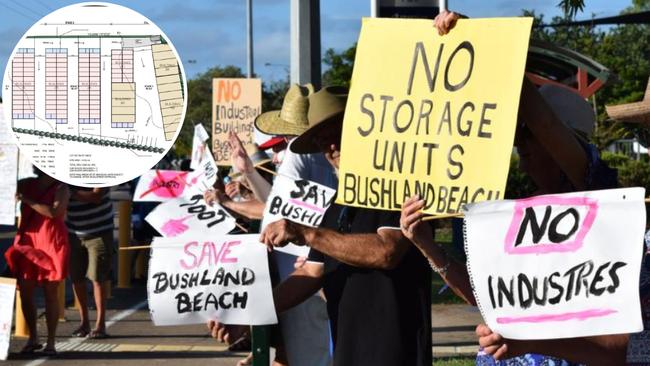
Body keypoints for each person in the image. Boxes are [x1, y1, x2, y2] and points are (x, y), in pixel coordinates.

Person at [399, 10, 621, 365]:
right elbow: (489, 299)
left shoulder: (596, 198)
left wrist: (487, 48)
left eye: (524, 136)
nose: (519, 148)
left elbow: (616, 350)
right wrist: (426, 244)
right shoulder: (522, 212)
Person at [212, 86, 433, 366]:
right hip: (348, 348)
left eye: (336, 135)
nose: (330, 147)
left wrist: (306, 232)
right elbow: (311, 271)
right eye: (321, 140)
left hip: (395, 350)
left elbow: (386, 251)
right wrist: (250, 314)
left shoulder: (398, 186)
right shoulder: (339, 200)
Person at [5, 168, 70, 355]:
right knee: (25, 291)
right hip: (28, 240)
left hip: (52, 242)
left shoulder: (62, 188)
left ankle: (51, 342)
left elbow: (54, 212)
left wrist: (27, 200)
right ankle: (33, 337)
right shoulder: (26, 183)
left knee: (51, 293)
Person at [66, 186, 114, 339]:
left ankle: (100, 325)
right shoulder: (66, 172)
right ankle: (84, 323)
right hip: (73, 232)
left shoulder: (101, 169)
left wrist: (70, 192)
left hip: (99, 232)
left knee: (97, 278)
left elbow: (96, 197)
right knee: (76, 279)